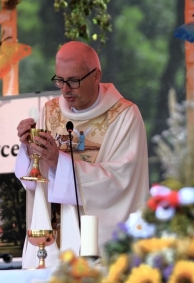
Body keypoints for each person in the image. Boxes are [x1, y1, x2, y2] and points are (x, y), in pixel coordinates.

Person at [15, 41, 149, 268]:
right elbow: (35, 182)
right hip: (55, 241)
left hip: (98, 245)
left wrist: (61, 162)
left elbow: (122, 182)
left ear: (96, 75)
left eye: (73, 81)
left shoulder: (124, 115)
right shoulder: (50, 111)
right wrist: (30, 150)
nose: (65, 89)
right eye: (59, 80)